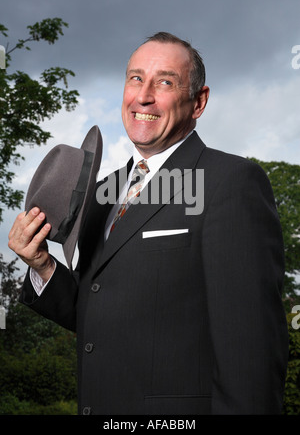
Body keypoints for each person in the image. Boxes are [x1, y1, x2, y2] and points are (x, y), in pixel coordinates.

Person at [8, 32, 289, 415]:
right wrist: (42, 265)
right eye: (136, 78)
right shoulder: (104, 192)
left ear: (199, 101)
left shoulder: (230, 182)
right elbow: (101, 317)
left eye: (166, 82)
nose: (144, 95)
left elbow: (250, 351)